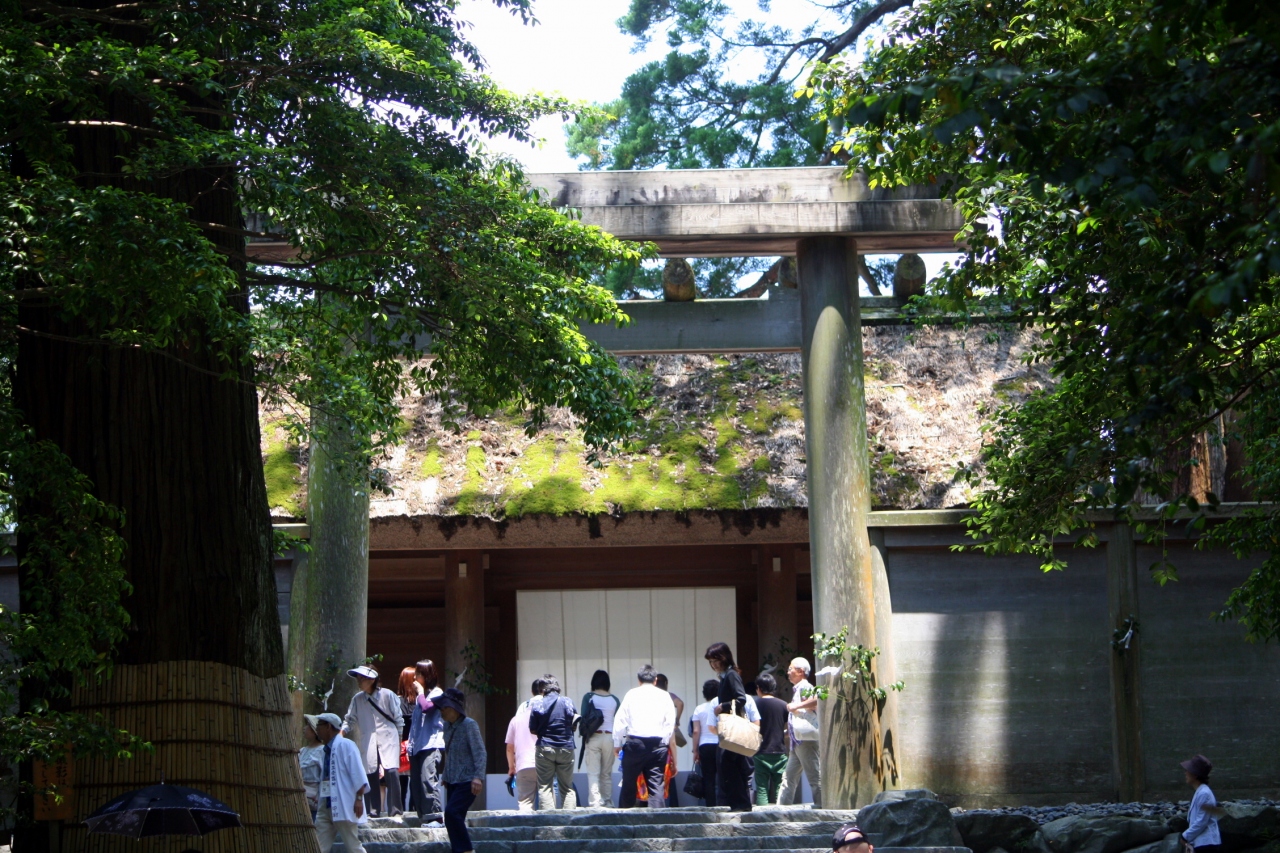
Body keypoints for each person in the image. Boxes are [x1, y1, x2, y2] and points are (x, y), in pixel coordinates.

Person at [343, 665, 403, 818]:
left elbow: (398, 718)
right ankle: (373, 810)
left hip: (389, 737)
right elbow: (349, 720)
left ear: (372, 680)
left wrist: (399, 738)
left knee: (392, 772)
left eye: (362, 679)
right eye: (358, 679)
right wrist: (341, 734)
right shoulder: (357, 699)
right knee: (370, 772)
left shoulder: (387, 695)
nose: (359, 682)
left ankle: (395, 810)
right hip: (368, 739)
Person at [613, 664, 676, 809]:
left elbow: (620, 720)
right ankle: (658, 820)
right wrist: (665, 741)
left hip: (635, 744)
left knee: (629, 783)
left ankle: (625, 819)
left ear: (639, 680)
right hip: (658, 744)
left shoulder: (631, 694)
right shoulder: (664, 695)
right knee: (656, 785)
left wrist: (617, 743)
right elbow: (670, 721)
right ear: (655, 680)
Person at [706, 641, 752, 812]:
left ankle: (740, 803)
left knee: (727, 763)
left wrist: (723, 706)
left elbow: (741, 699)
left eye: (715, 660)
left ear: (724, 658)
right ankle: (740, 803)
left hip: (734, 727)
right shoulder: (725, 676)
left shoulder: (731, 675)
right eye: (711, 662)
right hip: (729, 727)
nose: (713, 665)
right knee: (732, 764)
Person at [313, 712, 369, 853]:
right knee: (318, 847)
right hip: (326, 803)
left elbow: (358, 773)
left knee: (353, 846)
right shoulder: (325, 750)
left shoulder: (346, 745)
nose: (316, 728)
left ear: (328, 727)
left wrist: (359, 799)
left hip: (343, 803)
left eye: (319, 725)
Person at [438, 688, 485, 853]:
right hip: (452, 780)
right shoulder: (447, 726)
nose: (442, 710)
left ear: (454, 708)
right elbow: (449, 752)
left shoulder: (469, 725)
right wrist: (446, 774)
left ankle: (466, 850)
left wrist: (478, 777)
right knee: (454, 818)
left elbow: (480, 752)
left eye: (445, 707)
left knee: (451, 812)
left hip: (468, 780)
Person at [528, 674, 578, 810]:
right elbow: (574, 725)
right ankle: (569, 819)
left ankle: (549, 820)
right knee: (567, 788)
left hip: (545, 748)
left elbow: (532, 729)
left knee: (545, 787)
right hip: (566, 747)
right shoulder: (568, 702)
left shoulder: (538, 704)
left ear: (542, 690)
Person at [778, 656, 822, 807]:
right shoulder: (799, 688)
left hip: (806, 740)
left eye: (790, 669)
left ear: (801, 671)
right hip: (798, 740)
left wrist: (796, 706)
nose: (788, 672)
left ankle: (822, 806)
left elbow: (817, 700)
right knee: (788, 777)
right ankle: (781, 810)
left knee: (814, 776)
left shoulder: (805, 687)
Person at [406, 659, 446, 822]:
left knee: (428, 780)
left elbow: (427, 708)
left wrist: (421, 692)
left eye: (418, 673)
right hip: (417, 746)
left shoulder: (437, 693)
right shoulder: (420, 697)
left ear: (427, 675)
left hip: (431, 745)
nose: (415, 677)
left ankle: (435, 818)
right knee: (416, 784)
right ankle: (423, 817)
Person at [578, 669, 620, 808]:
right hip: (609, 738)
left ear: (594, 682)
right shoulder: (614, 700)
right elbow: (618, 722)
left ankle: (595, 803)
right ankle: (607, 802)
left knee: (593, 773)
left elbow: (584, 718)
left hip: (594, 737)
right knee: (606, 773)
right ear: (607, 683)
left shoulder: (589, 697)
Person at [506, 677, 545, 812]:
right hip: (545, 764)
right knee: (546, 802)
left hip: (523, 764)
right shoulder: (547, 716)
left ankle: (525, 825)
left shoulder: (516, 719)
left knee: (525, 802)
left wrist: (512, 767)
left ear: (531, 692)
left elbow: (509, 748)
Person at [753, 673, 789, 805]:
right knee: (780, 787)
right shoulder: (783, 705)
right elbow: (789, 729)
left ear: (758, 688)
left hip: (760, 751)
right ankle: (781, 814)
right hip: (779, 751)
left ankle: (761, 816)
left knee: (762, 788)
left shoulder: (754, 705)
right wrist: (781, 734)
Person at [1182, 755, 1222, 853]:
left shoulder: (1204, 794)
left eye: (1188, 770)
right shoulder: (1201, 792)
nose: (1185, 773)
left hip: (1207, 844)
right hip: (1202, 843)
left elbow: (1201, 821)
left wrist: (1185, 836)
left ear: (1195, 775)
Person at [690, 679, 720, 806]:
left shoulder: (699, 709)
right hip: (720, 744)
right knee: (723, 776)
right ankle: (723, 804)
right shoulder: (721, 708)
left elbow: (696, 731)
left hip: (705, 745)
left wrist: (695, 751)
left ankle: (710, 806)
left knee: (708, 778)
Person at [299, 714, 326, 821]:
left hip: (313, 800)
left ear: (315, 731)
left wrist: (320, 797)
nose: (304, 728)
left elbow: (324, 776)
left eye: (307, 726)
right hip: (299, 797)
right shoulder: (302, 751)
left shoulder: (322, 751)